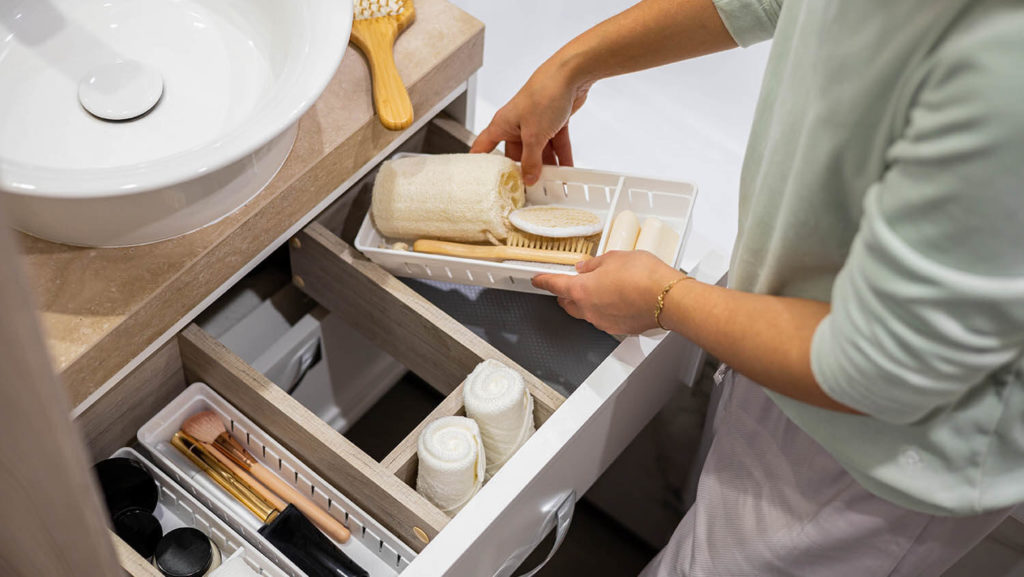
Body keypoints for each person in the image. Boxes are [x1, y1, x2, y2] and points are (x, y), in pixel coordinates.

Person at [471, 0, 1024, 575]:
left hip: (879, 454)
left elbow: (876, 367)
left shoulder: (1003, 76)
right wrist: (573, 65)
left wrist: (667, 300)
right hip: (789, 320)